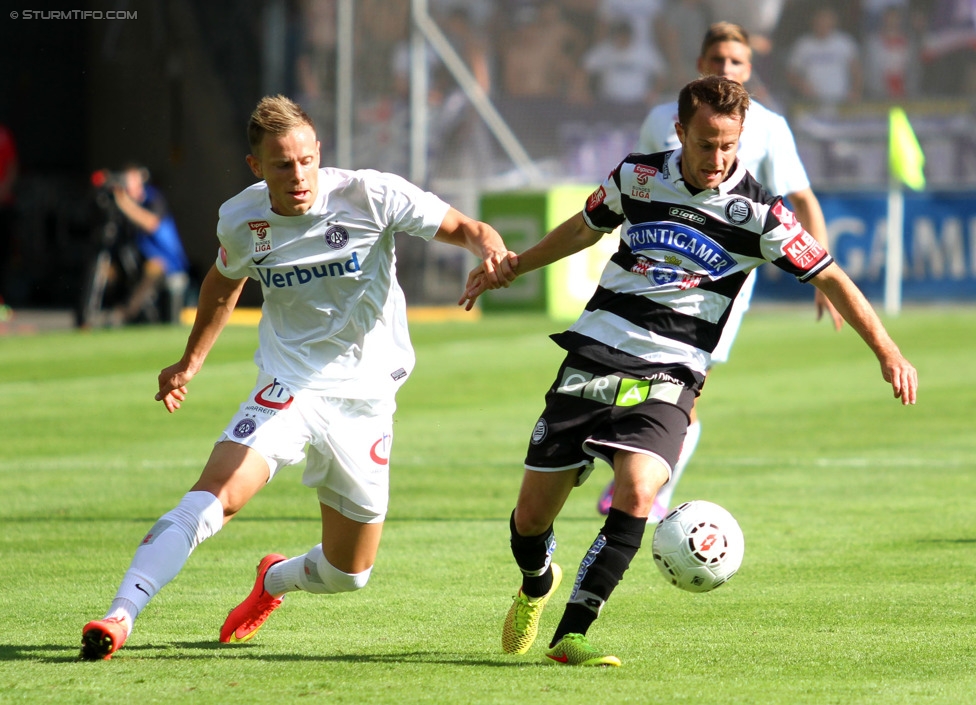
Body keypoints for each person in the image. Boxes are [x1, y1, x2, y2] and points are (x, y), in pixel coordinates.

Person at [464, 75, 917, 667]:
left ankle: (573, 630)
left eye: (729, 145)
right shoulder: (638, 177)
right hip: (594, 351)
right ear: (680, 131)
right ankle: (537, 581)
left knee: (639, 488)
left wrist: (887, 350)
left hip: (674, 369)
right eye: (706, 143)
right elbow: (583, 226)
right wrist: (517, 266)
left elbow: (829, 275)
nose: (717, 158)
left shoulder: (760, 214)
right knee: (530, 521)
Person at [79, 94, 515, 661]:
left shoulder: (371, 194)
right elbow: (222, 283)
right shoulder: (241, 218)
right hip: (290, 385)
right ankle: (121, 614)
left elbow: (466, 226)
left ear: (319, 154)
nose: (299, 174)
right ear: (256, 167)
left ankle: (274, 580)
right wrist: (190, 362)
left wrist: (492, 251)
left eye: (306, 159)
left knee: (348, 573)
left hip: (366, 399)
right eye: (282, 165)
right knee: (218, 495)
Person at [597, 22, 844, 521]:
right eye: (718, 60)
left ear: (749, 69)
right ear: (700, 65)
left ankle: (655, 485)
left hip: (720, 286)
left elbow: (801, 198)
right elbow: (642, 185)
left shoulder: (769, 126)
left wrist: (823, 276)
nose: (726, 68)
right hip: (651, 277)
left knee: (688, 382)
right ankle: (636, 469)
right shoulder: (660, 119)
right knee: (629, 375)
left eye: (736, 62)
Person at [108, 165, 191, 326]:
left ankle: (128, 312)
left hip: (169, 261)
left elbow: (151, 223)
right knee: (110, 270)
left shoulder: (153, 197)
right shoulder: (125, 208)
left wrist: (125, 204)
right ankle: (114, 309)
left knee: (153, 267)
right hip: (141, 258)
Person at [785, 7, 863, 107]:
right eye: (820, 20)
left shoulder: (845, 43)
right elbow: (790, 73)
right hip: (811, 103)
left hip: (841, 102)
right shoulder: (803, 45)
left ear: (834, 21)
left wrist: (856, 91)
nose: (823, 24)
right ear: (813, 21)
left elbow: (856, 71)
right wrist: (802, 85)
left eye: (826, 20)